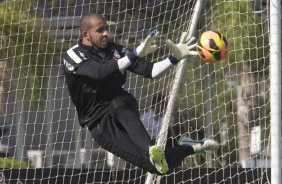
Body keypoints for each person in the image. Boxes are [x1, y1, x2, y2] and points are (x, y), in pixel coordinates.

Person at [63, 13, 219, 175]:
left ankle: (150, 148)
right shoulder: (73, 55)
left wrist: (174, 58)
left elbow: (150, 71)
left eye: (107, 29)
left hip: (121, 105)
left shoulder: (116, 49)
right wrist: (134, 53)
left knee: (118, 102)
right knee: (158, 167)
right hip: (99, 124)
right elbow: (100, 72)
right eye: (100, 30)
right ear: (86, 35)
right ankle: (187, 146)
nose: (106, 34)